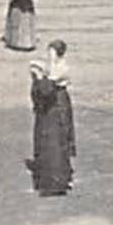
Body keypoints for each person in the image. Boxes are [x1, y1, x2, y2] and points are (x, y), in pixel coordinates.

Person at [26, 40, 76, 197]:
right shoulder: (56, 66)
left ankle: (55, 180)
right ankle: (57, 177)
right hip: (55, 105)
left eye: (51, 51)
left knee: (55, 141)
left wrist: (38, 76)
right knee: (53, 140)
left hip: (56, 106)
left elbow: (47, 89)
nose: (49, 55)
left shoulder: (61, 68)